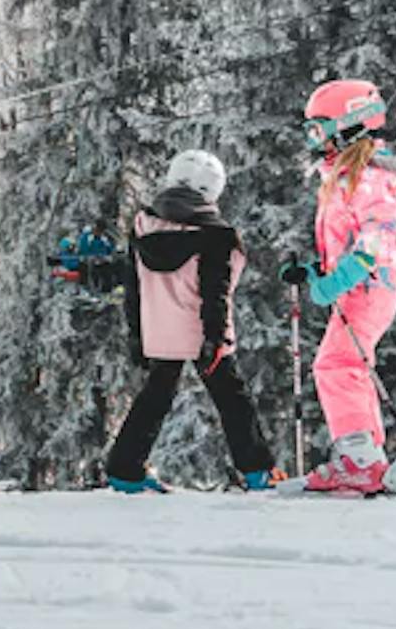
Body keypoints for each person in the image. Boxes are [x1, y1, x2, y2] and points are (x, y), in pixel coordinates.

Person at [103, 150, 280, 493]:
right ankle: (258, 471)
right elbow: (216, 293)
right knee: (233, 399)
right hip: (201, 333)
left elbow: (134, 287)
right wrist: (218, 338)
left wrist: (137, 336)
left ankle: (124, 470)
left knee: (154, 397)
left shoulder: (143, 227)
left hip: (159, 330)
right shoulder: (217, 237)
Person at [279, 80, 396, 495]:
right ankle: (366, 455)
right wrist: (314, 271)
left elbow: (380, 235)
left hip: (370, 288)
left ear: (350, 125)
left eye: (319, 129)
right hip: (360, 287)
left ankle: (359, 460)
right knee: (348, 365)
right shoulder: (346, 177)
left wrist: (344, 275)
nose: (313, 140)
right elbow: (348, 236)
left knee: (336, 365)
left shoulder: (371, 178)